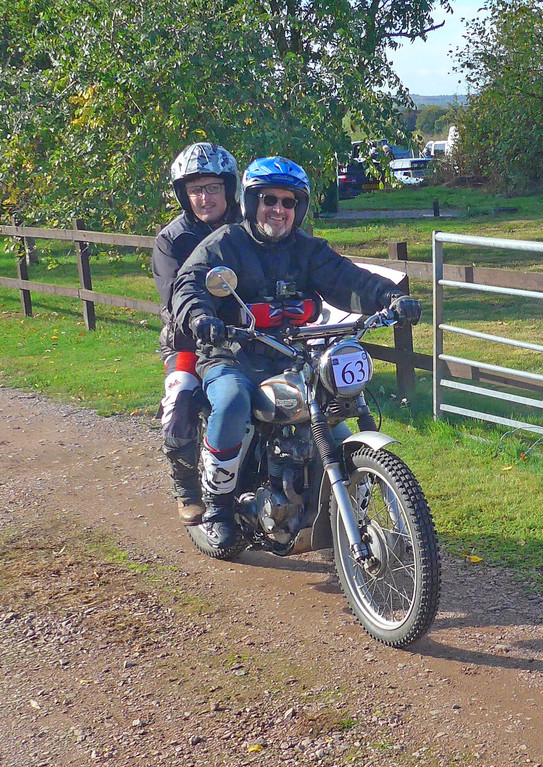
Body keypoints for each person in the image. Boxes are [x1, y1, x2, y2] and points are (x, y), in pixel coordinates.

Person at [170, 157, 421, 549]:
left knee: (335, 409)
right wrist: (201, 317)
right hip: (233, 355)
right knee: (233, 401)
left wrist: (391, 297)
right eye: (269, 199)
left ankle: (343, 504)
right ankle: (218, 505)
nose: (279, 210)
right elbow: (188, 284)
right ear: (251, 202)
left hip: (293, 355)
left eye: (289, 202)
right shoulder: (225, 244)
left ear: (298, 208)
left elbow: (347, 278)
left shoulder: (307, 249)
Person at [152, 142, 242, 526]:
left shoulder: (247, 228)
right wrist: (203, 320)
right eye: (195, 190)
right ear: (184, 194)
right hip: (188, 339)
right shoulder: (172, 240)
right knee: (179, 400)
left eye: (212, 188)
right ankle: (186, 486)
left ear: (229, 188)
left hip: (246, 335)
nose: (204, 198)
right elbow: (175, 296)